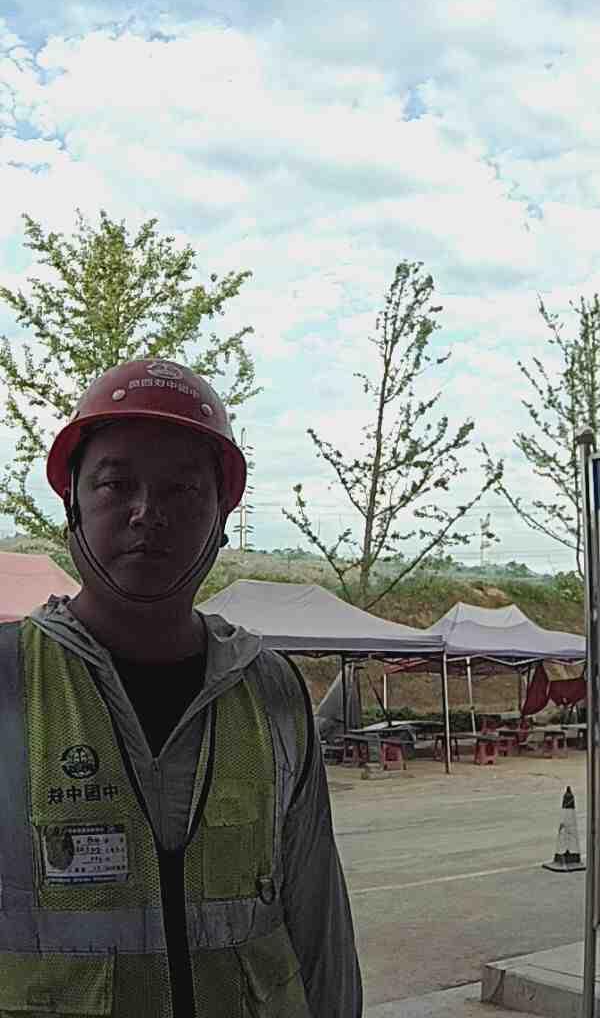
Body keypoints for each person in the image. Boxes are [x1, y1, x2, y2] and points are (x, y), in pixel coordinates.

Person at [0, 358, 362, 1017]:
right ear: (71, 503)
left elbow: (319, 926)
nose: (147, 512)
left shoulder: (272, 691)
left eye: (182, 489)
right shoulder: (6, 680)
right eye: (116, 484)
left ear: (222, 515)